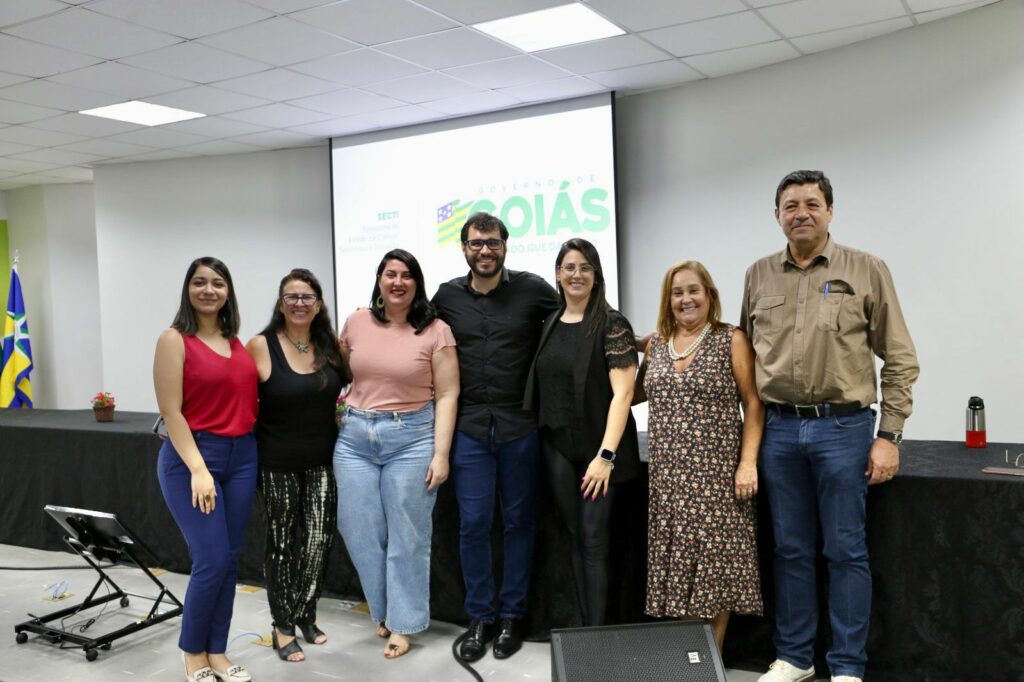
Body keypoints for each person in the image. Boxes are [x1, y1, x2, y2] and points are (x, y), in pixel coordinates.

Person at [743, 171, 919, 682]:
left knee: (845, 551)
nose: (801, 213)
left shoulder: (866, 269)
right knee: (790, 551)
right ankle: (795, 658)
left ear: (830, 211)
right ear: (777, 215)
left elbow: (900, 358)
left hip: (843, 429)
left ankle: (845, 668)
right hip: (779, 431)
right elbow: (746, 357)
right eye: (791, 205)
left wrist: (889, 435)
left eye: (812, 204)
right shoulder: (758, 275)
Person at [432, 212, 559, 661]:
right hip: (468, 428)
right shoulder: (446, 296)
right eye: (476, 243)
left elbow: (579, 318)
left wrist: (635, 341)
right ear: (464, 248)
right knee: (472, 525)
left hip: (519, 425)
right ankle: (480, 618)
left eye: (492, 242)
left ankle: (511, 617)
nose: (484, 250)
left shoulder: (533, 289)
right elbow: (415, 336)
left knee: (519, 522)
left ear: (505, 245)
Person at [333, 249, 459, 659]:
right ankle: (385, 610)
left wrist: (441, 454)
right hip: (355, 440)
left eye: (406, 275)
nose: (398, 282)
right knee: (359, 530)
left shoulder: (436, 331)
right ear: (379, 279)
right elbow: (339, 373)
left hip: (412, 439)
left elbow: (448, 393)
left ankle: (403, 624)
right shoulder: (356, 321)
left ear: (417, 283)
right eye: (390, 274)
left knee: (408, 537)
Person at [641, 260, 764, 651]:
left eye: (693, 290)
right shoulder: (658, 344)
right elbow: (636, 392)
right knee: (680, 573)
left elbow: (754, 402)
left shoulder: (731, 339)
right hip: (669, 482)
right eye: (677, 292)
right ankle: (692, 659)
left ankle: (708, 662)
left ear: (709, 294)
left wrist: (747, 463)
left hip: (716, 479)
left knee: (714, 575)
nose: (686, 299)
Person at [524, 238, 640, 627]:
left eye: (585, 267)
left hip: (599, 452)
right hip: (557, 446)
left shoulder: (612, 323)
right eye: (570, 267)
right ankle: (586, 627)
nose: (577, 274)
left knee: (593, 542)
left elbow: (623, 394)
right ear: (558, 274)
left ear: (596, 275)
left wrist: (605, 457)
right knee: (574, 538)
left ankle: (597, 637)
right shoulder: (550, 322)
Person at [153, 257, 258, 682]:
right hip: (193, 459)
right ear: (188, 289)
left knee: (228, 562)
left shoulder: (236, 342)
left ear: (228, 291)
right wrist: (199, 469)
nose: (208, 290)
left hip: (243, 457)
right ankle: (193, 652)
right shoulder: (174, 339)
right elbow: (171, 411)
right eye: (199, 282)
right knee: (211, 560)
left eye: (217, 283)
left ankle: (217, 651)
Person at [246, 269, 351, 663]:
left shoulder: (329, 345)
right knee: (282, 546)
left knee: (319, 541)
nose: (300, 303)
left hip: (322, 460)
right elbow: (240, 399)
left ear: (319, 305)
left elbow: (351, 387)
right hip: (277, 463)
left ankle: (305, 612)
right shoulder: (261, 345)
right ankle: (282, 626)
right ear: (280, 303)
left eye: (307, 297)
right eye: (292, 296)